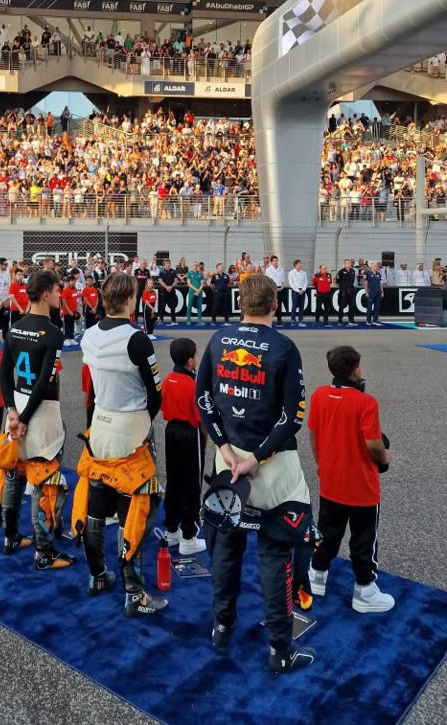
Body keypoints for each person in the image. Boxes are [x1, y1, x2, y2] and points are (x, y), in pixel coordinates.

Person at [196, 273, 316, 673]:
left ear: (240, 303)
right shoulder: (284, 347)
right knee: (275, 553)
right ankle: (280, 649)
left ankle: (221, 624)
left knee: (226, 549)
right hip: (270, 467)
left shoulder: (218, 340)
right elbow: (293, 416)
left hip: (226, 463)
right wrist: (258, 457)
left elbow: (204, 400)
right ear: (276, 303)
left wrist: (224, 448)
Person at [76, 272, 165, 616]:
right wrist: (144, 420)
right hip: (132, 427)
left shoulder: (88, 336)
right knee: (136, 508)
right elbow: (155, 392)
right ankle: (134, 592)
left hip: (101, 424)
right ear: (130, 300)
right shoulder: (137, 339)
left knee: (98, 503)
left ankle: (97, 574)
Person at [308, 346, 395, 613]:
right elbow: (373, 444)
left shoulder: (320, 395)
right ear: (355, 370)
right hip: (361, 487)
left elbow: (313, 432)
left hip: (331, 480)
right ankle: (365, 590)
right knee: (363, 539)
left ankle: (317, 574)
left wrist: (321, 463)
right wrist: (385, 458)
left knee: (327, 531)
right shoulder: (366, 403)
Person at [0, 269, 74, 568]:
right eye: (57, 291)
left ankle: (11, 536)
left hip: (16, 405)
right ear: (45, 293)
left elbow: (4, 372)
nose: (60, 295)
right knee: (43, 481)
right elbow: (45, 381)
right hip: (40, 413)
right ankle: (43, 552)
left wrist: (12, 411)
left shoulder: (15, 327)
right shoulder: (54, 332)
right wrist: (27, 416)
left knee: (14, 474)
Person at [161, 338, 206, 555]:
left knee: (174, 480)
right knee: (191, 485)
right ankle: (189, 536)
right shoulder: (193, 385)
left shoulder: (168, 380)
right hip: (190, 434)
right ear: (190, 361)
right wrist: (205, 443)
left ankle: (171, 530)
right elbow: (201, 420)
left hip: (171, 431)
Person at [60, 269, 80, 341]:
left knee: (72, 325)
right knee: (67, 326)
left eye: (74, 281)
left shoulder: (75, 289)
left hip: (74, 310)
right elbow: (64, 300)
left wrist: (75, 310)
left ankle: (71, 338)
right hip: (67, 312)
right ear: (68, 282)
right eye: (71, 281)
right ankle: (66, 339)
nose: (73, 282)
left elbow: (75, 300)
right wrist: (69, 311)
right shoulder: (66, 290)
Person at [264, 255, 285, 325]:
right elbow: (267, 281)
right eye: (275, 261)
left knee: (279, 304)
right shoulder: (268, 270)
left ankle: (279, 319)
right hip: (272, 289)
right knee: (271, 304)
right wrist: (273, 288)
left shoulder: (281, 269)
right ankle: (269, 319)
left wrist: (282, 287)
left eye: (277, 260)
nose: (276, 262)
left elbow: (283, 280)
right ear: (271, 262)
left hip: (280, 289)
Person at [336, 259, 358, 325]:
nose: (348, 264)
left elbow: (353, 280)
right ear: (344, 264)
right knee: (342, 306)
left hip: (351, 291)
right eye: (347, 263)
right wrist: (342, 287)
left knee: (352, 306)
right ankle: (340, 320)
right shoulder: (341, 271)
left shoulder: (353, 271)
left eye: (349, 263)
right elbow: (337, 281)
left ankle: (351, 320)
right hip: (343, 291)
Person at [158, 258, 178, 325]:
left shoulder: (173, 271)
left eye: (169, 263)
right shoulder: (161, 272)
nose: (168, 265)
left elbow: (176, 280)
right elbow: (160, 281)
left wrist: (171, 286)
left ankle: (173, 321)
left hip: (172, 290)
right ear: (164, 264)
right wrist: (166, 287)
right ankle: (161, 320)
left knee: (173, 306)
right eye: (167, 263)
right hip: (164, 291)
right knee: (163, 305)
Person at [288, 259, 308, 326]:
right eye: (299, 263)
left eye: (301, 263)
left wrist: (303, 289)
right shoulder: (291, 273)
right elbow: (291, 283)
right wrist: (297, 290)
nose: (301, 265)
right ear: (296, 265)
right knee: (294, 305)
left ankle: (300, 320)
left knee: (301, 306)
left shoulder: (304, 273)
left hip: (302, 291)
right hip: (295, 291)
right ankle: (293, 320)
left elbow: (306, 282)